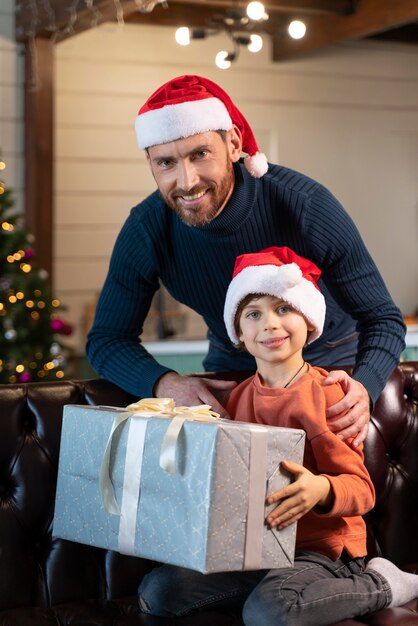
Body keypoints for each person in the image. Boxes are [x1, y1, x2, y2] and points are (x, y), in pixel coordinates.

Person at [86, 74, 406, 445]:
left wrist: (363, 388)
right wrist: (164, 382)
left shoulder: (306, 206)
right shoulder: (146, 229)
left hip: (331, 364)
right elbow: (107, 340)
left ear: (234, 143)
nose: (186, 181)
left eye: (199, 154)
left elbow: (383, 318)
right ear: (150, 163)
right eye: (166, 163)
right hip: (234, 367)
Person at [137, 246, 418, 626]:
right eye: (254, 314)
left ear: (309, 321)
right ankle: (274, 593)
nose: (269, 324)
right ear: (239, 332)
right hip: (255, 549)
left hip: (322, 552)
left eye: (283, 309)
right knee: (158, 593)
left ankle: (382, 583)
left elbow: (362, 490)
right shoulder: (237, 400)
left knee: (270, 612)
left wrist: (320, 489)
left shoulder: (326, 393)